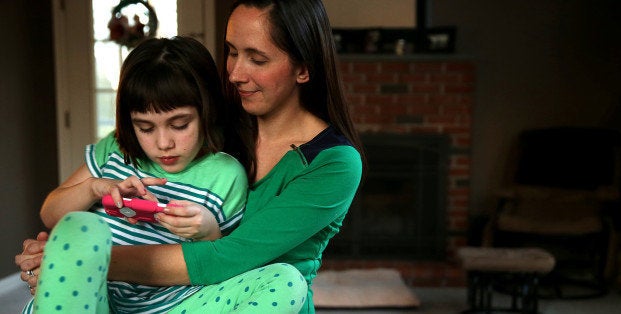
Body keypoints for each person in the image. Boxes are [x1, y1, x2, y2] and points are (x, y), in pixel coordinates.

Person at [16, 0, 364, 313]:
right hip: (127, 295)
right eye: (231, 52)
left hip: (242, 301)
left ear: (303, 68)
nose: (234, 74)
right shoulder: (204, 123)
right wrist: (68, 251)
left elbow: (224, 257)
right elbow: (74, 199)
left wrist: (72, 261)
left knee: (286, 280)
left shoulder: (333, 162)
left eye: (257, 59)